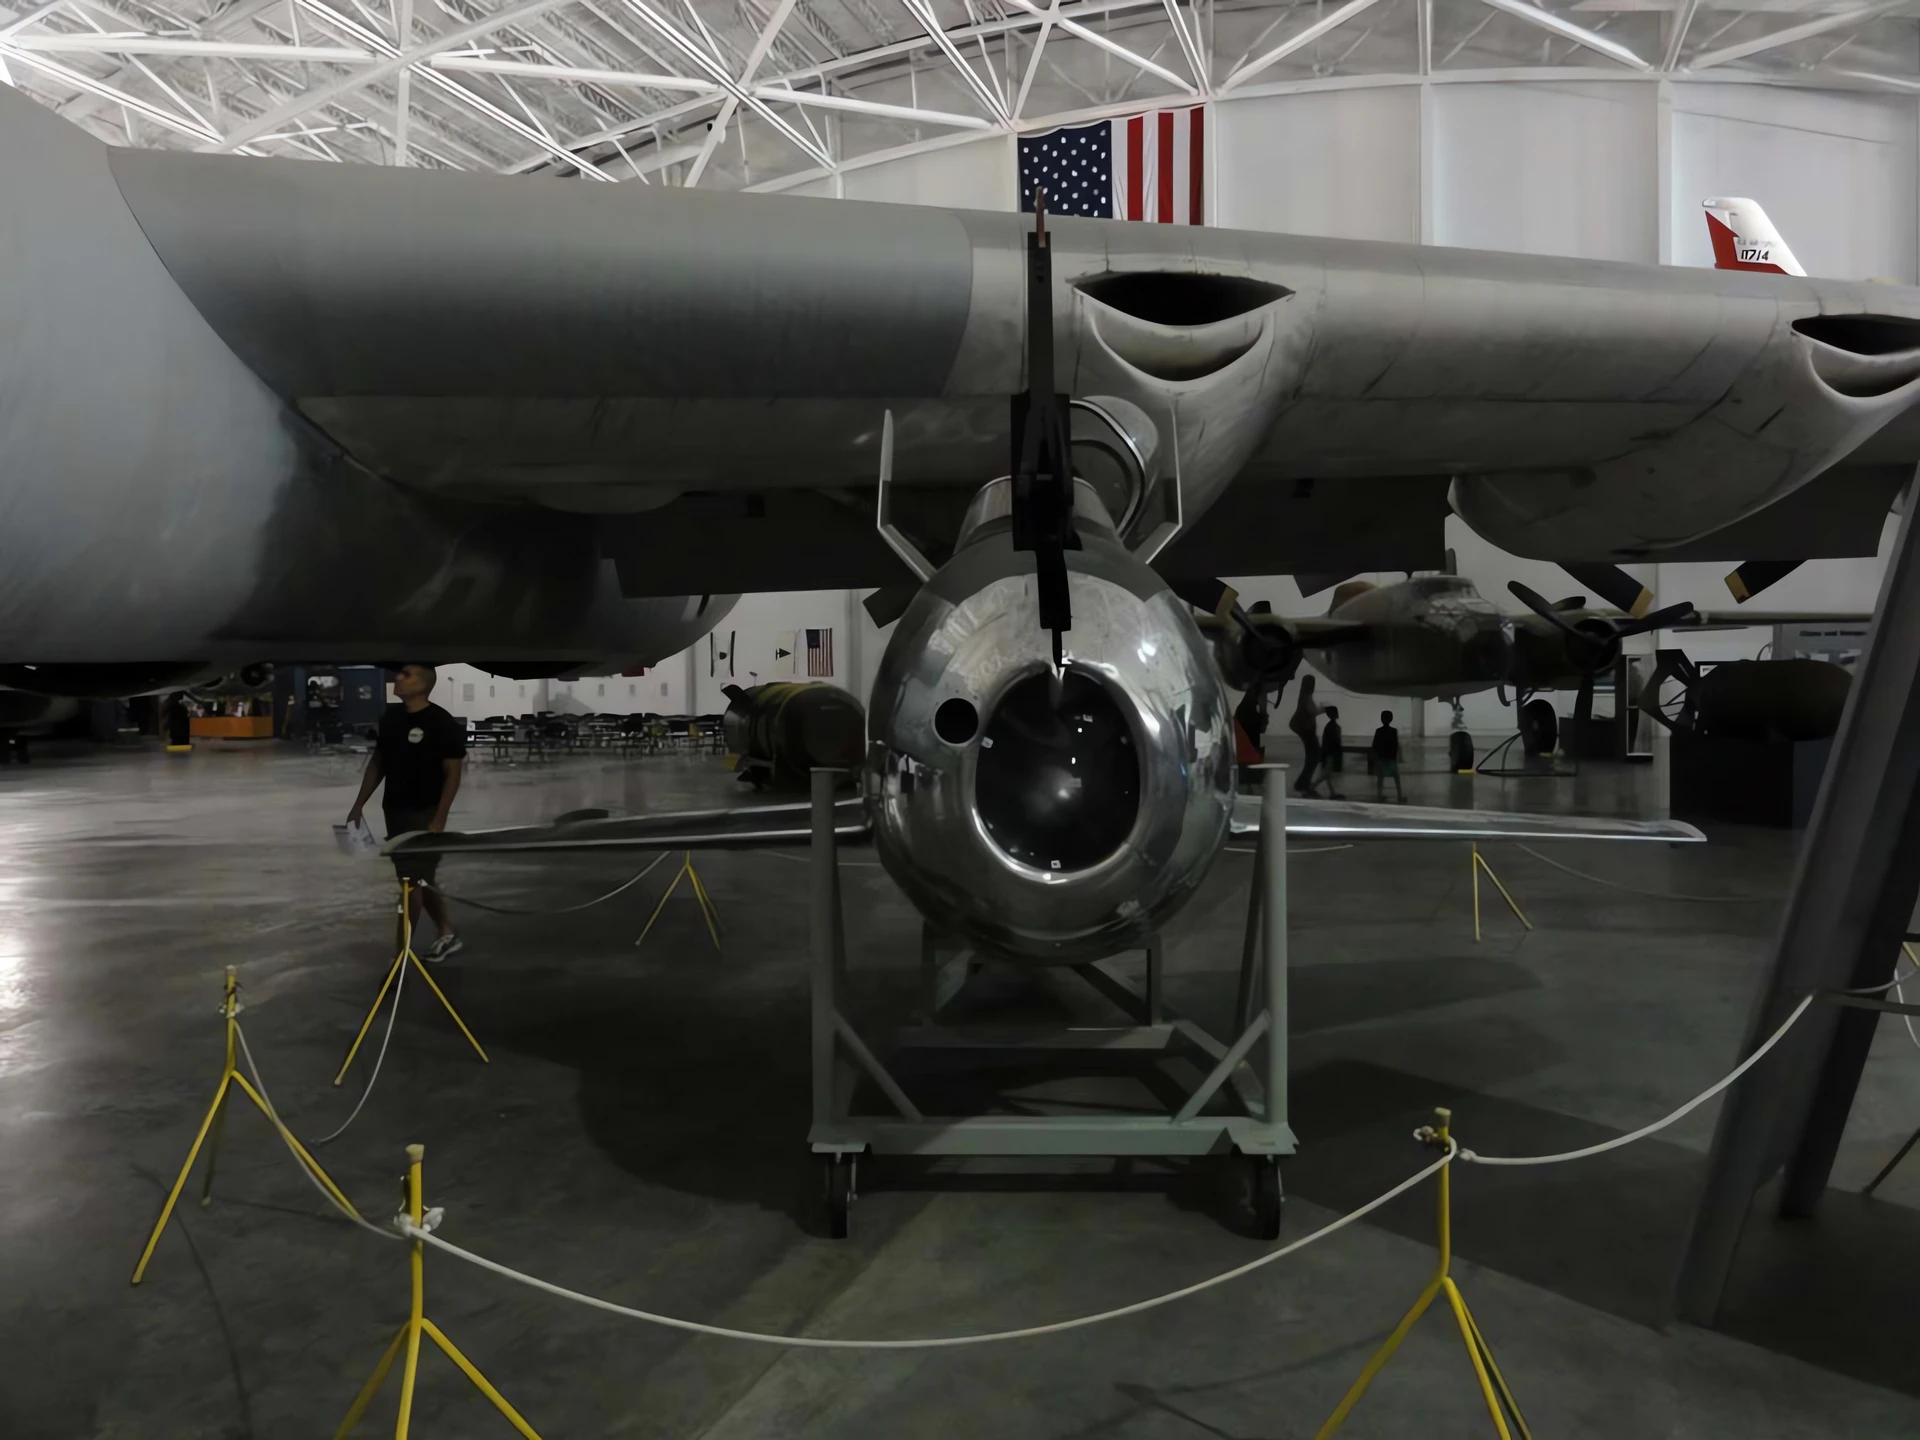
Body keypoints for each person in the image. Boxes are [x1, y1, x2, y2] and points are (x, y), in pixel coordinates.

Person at [346, 663, 467, 960]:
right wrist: (359, 804)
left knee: (411, 884)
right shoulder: (391, 718)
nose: (398, 678)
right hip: (395, 810)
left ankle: (401, 953)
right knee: (420, 879)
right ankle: (447, 932)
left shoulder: (441, 722)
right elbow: (378, 763)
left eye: (406, 675)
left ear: (423, 684)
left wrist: (439, 819)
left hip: (424, 813)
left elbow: (453, 774)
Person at [1289, 676, 1340, 798]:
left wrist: (1322, 709)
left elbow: (1311, 711)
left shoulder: (1305, 696)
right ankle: (1302, 784)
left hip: (1307, 731)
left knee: (1313, 758)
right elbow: (1311, 712)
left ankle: (1303, 783)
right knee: (1313, 758)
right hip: (1307, 732)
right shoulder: (1306, 697)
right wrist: (1324, 708)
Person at [1372, 709, 1405, 802]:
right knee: (1396, 778)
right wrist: (1398, 757)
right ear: (1391, 719)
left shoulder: (1378, 731)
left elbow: (1374, 746)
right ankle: (1399, 796)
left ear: (1381, 719)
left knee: (1380, 778)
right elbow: (1396, 745)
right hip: (1391, 760)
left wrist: (1375, 760)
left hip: (1381, 760)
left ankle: (1379, 796)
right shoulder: (1394, 731)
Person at [1321, 706, 1343, 775]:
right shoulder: (1334, 726)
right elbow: (1336, 741)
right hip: (1332, 751)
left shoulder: (1330, 726)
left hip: (1329, 751)